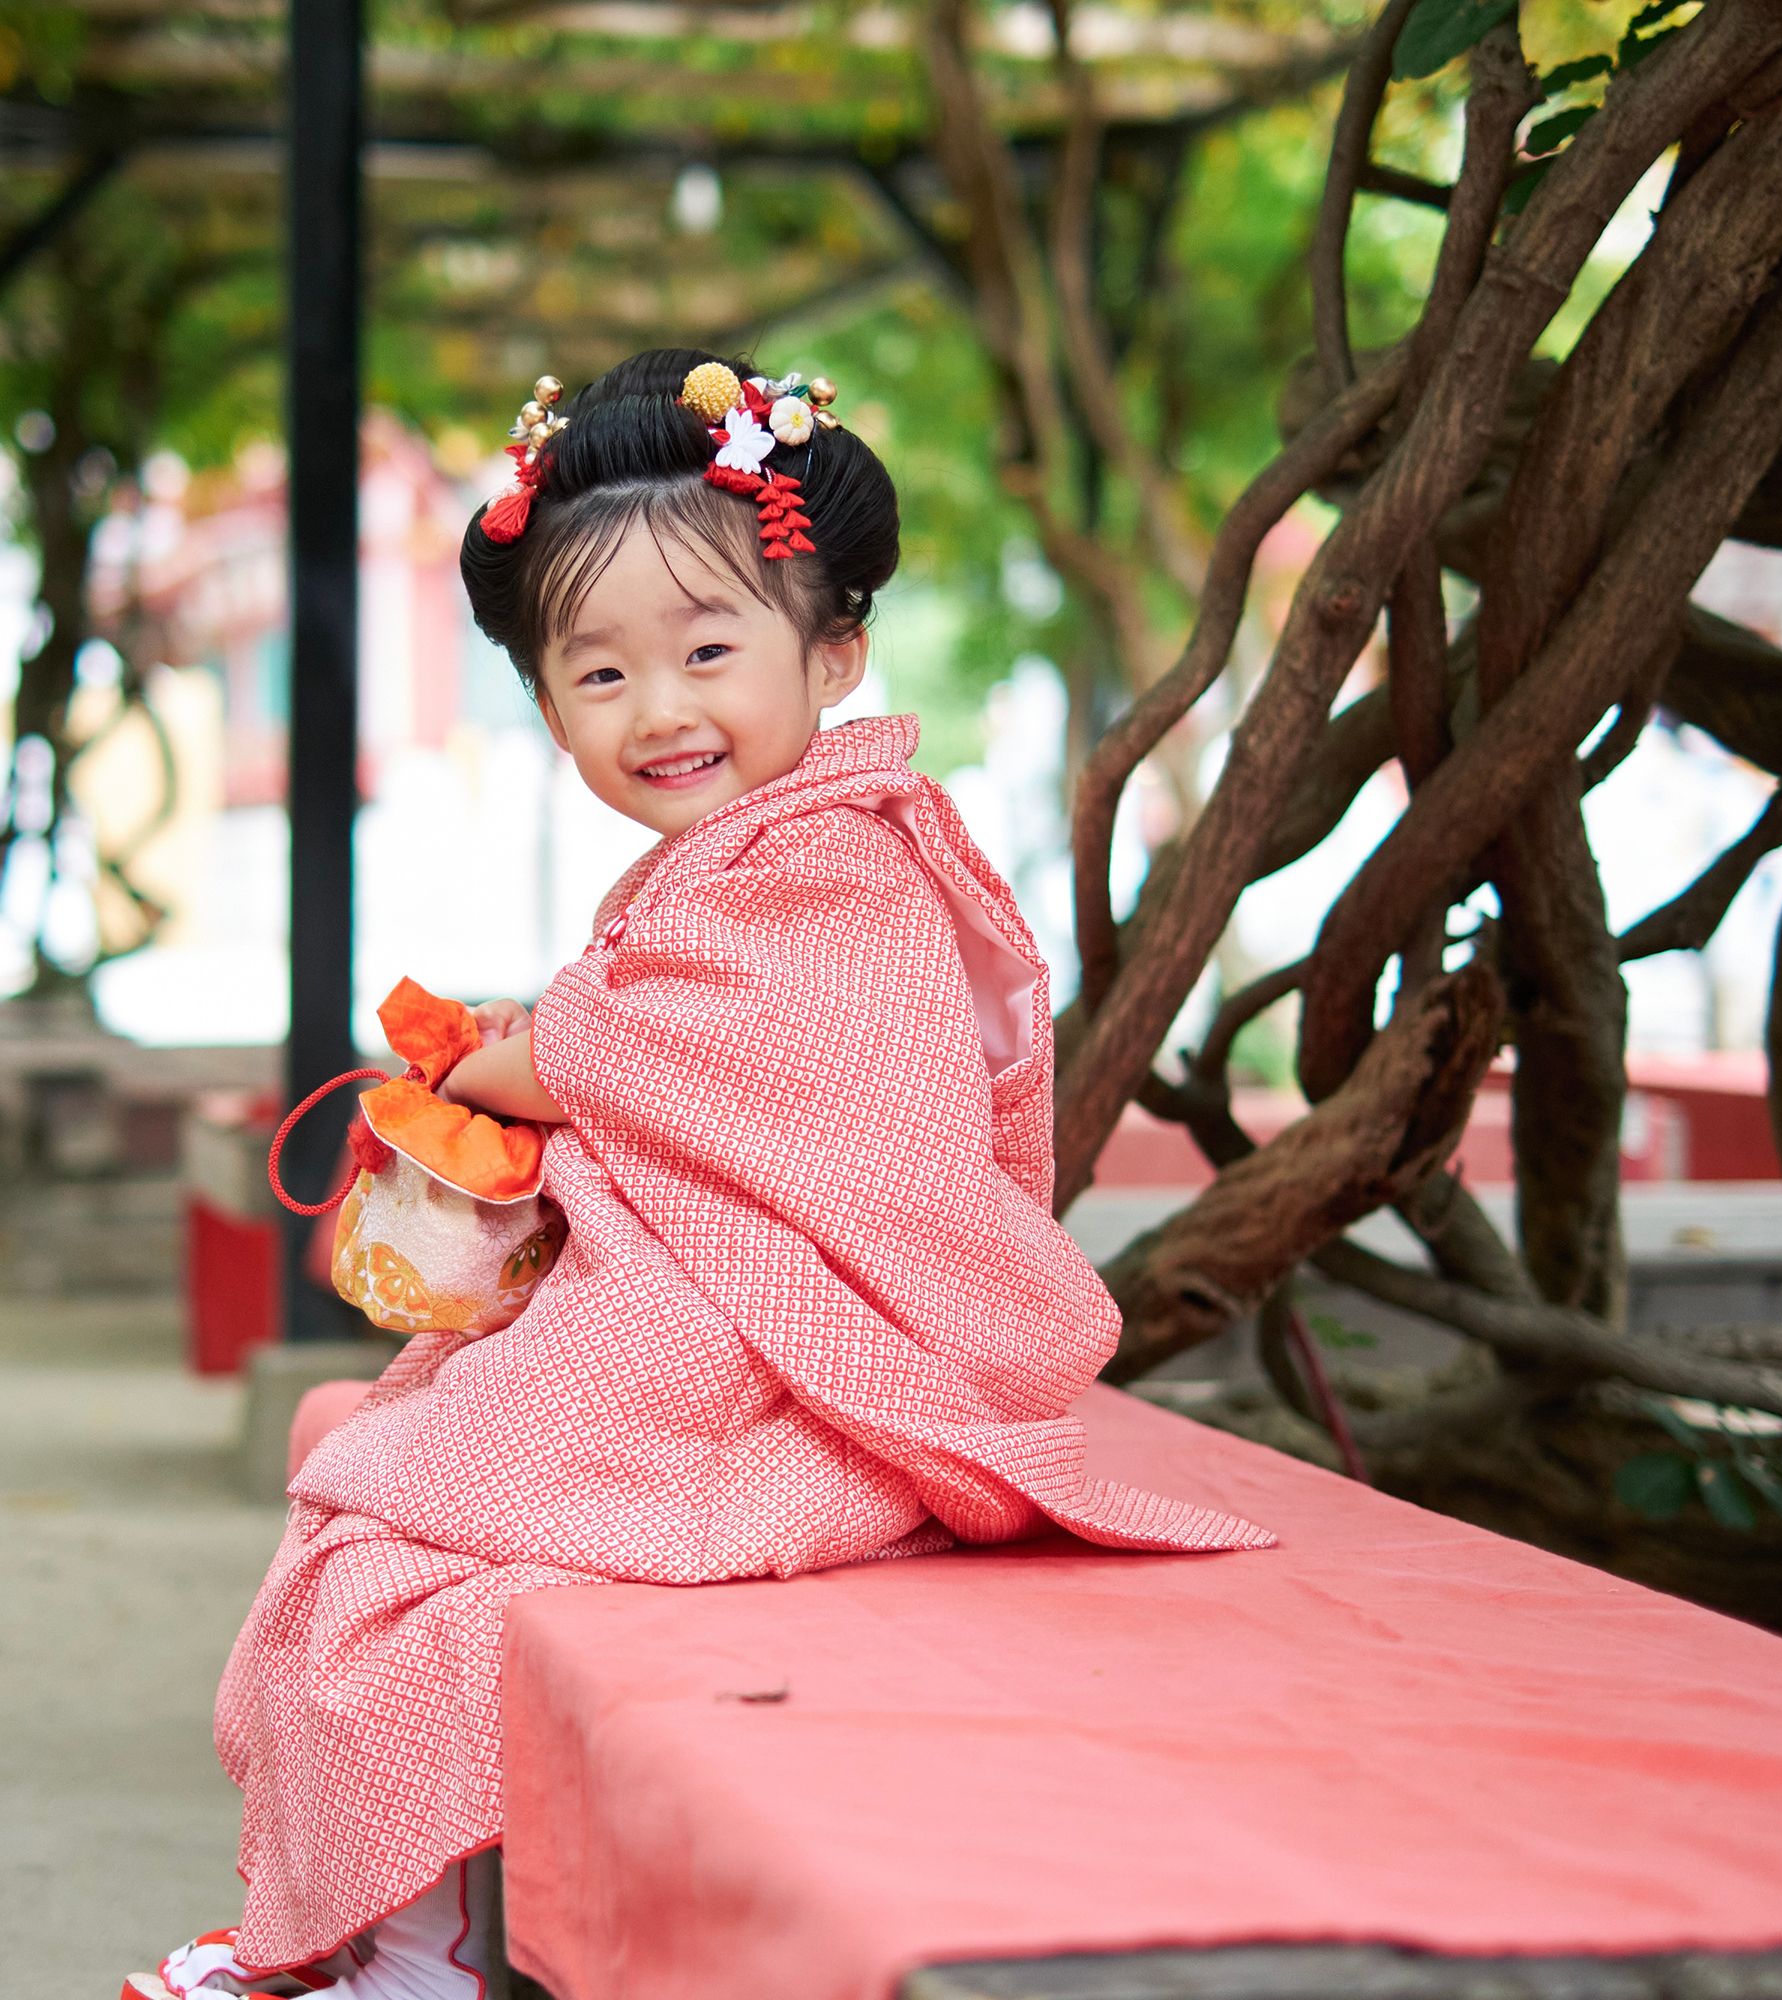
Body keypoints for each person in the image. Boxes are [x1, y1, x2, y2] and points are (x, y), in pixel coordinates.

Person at [132, 349, 1273, 2000]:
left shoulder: (833, 861)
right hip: (717, 1302)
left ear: (835, 651)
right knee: (386, 1533)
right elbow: (663, 1042)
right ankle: (411, 1941)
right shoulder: (758, 857)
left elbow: (664, 1052)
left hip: (794, 1343)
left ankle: (418, 1964)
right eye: (599, 673)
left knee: (402, 1548)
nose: (658, 709)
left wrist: (509, 1058)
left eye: (710, 650)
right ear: (550, 709)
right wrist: (551, 1043)